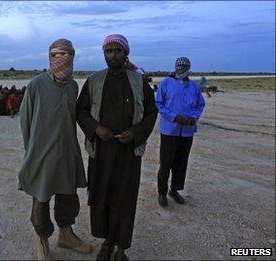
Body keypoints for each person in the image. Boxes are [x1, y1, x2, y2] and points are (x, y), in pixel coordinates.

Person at [76, 34, 158, 261]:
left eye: (117, 51)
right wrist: (95, 128)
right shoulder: (94, 81)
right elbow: (80, 111)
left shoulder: (139, 81)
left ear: (126, 53)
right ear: (104, 54)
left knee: (125, 199)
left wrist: (135, 133)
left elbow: (151, 111)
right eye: (108, 51)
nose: (112, 55)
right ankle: (106, 242)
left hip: (128, 153)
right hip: (101, 152)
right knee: (102, 196)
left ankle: (121, 248)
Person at [18, 39, 92, 260]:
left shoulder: (73, 86)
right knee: (41, 199)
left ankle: (66, 235)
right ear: (50, 56)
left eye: (68, 54)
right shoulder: (36, 85)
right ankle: (42, 239)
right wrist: (32, 151)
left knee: (68, 196)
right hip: (42, 154)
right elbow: (26, 121)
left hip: (67, 151)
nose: (63, 59)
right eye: (58, 55)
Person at [155, 57, 205, 207]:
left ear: (189, 68)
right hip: (169, 130)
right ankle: (162, 192)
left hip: (187, 132)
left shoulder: (194, 87)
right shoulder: (166, 83)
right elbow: (159, 103)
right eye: (179, 67)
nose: (181, 70)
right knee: (166, 163)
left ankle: (174, 190)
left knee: (181, 163)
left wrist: (194, 118)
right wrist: (174, 117)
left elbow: (200, 104)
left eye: (184, 67)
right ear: (175, 67)